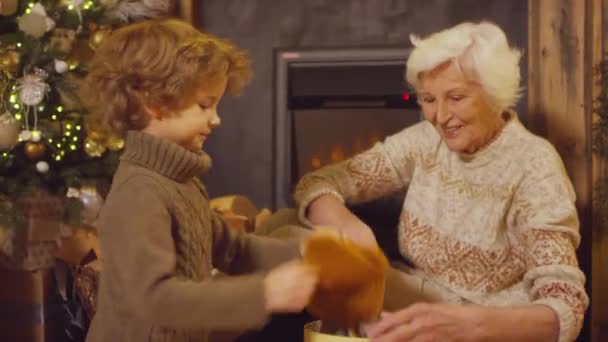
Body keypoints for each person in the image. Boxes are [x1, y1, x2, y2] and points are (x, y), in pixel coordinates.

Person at [293, 21, 588, 342]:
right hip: (410, 302)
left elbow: (565, 307)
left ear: (495, 94)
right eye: (428, 99)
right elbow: (317, 181)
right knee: (287, 234)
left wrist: (469, 325)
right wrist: (347, 226)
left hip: (482, 328)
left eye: (456, 97)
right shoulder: (425, 139)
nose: (440, 116)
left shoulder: (534, 164)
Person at [80, 18, 318, 342]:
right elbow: (154, 299)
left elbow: (233, 250)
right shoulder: (138, 192)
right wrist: (263, 295)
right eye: (205, 105)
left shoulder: (181, 180)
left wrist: (311, 256)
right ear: (154, 104)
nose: (216, 119)